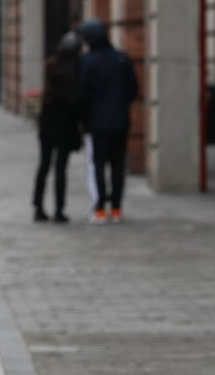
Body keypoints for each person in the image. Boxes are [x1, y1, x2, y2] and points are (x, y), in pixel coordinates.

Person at [79, 18, 139, 224]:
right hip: (120, 121)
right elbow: (133, 89)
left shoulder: (88, 61)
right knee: (118, 165)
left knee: (98, 165)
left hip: (97, 123)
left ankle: (100, 209)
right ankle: (116, 207)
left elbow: (83, 92)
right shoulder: (121, 59)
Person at [30, 32, 83, 223]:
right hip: (66, 124)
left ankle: (38, 207)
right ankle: (59, 210)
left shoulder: (52, 65)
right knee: (61, 168)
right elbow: (78, 101)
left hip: (48, 122)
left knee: (44, 165)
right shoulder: (76, 70)